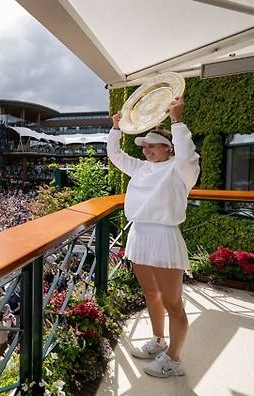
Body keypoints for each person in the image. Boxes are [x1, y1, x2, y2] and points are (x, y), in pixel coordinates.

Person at [108, 96, 199, 378]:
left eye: (151, 145)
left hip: (164, 237)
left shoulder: (180, 169)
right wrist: (115, 129)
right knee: (151, 293)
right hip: (140, 234)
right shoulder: (142, 168)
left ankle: (173, 359)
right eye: (144, 146)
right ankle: (159, 341)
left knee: (173, 303)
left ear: (167, 147)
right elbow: (116, 156)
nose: (146, 149)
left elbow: (187, 155)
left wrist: (177, 121)